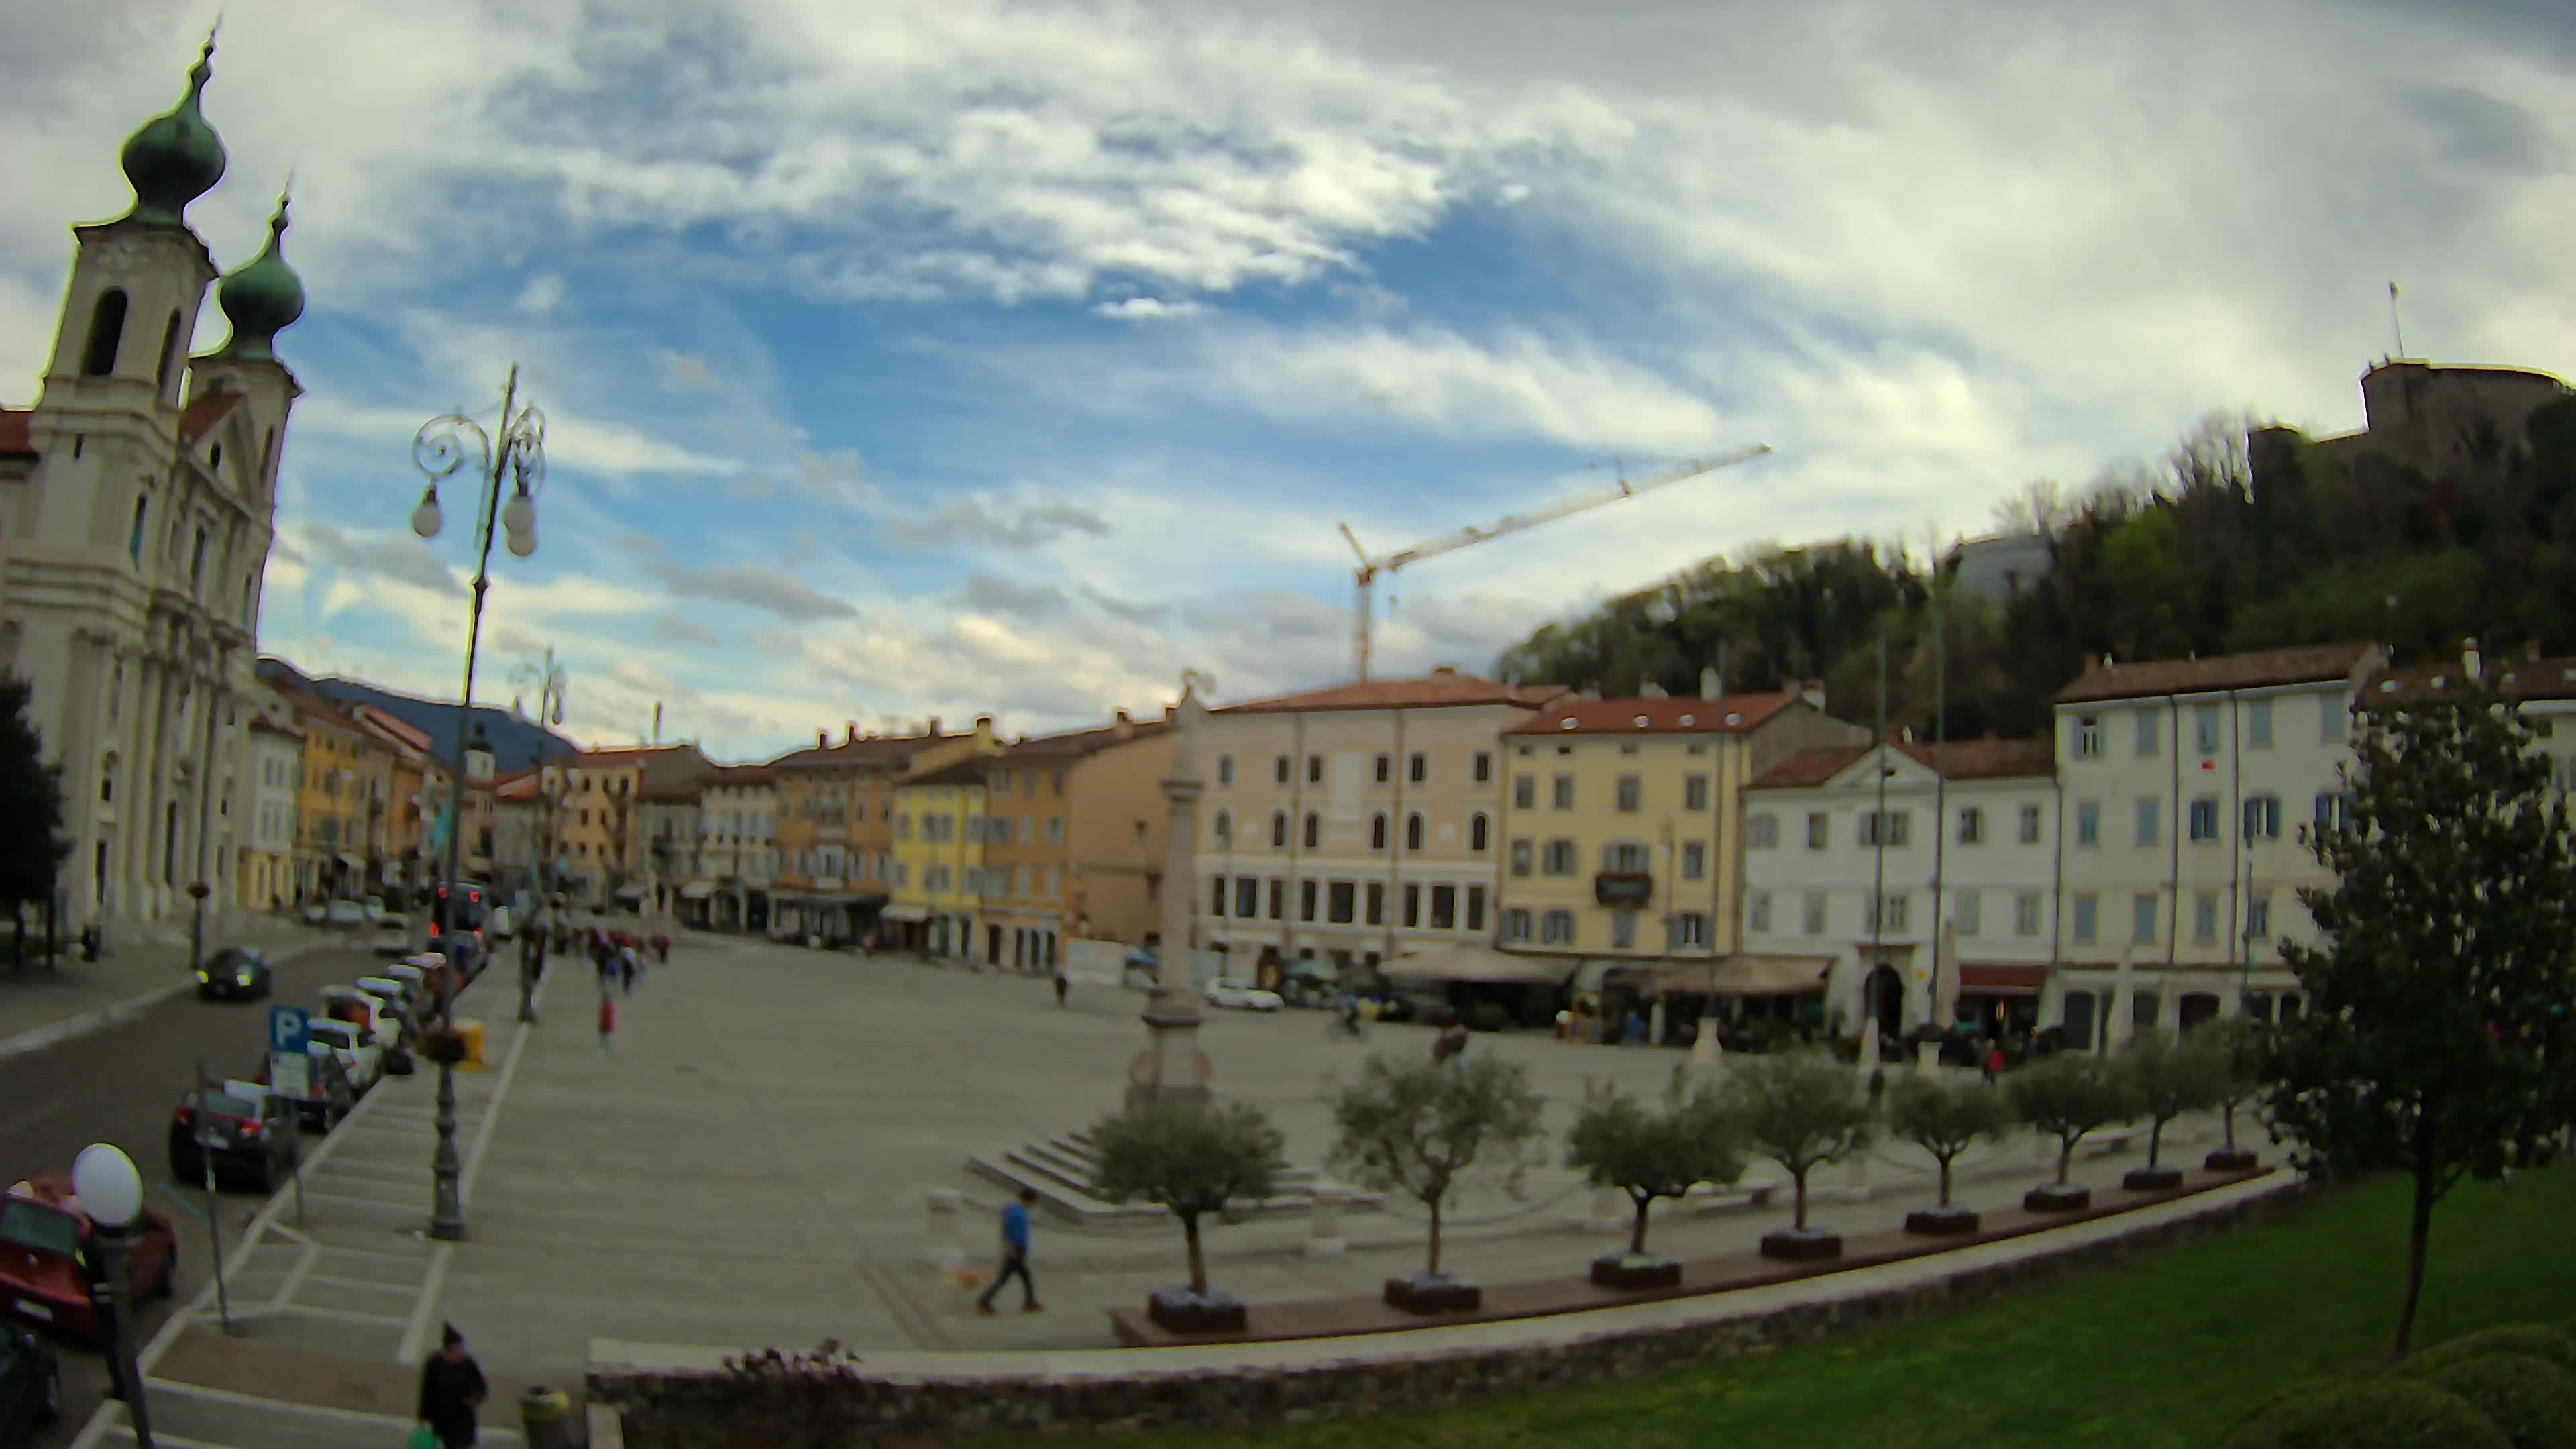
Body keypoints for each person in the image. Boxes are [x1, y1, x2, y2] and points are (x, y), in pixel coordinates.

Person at [415, 1322, 488, 1448]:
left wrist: (472, 1401)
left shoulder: (468, 1364)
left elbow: (482, 1389)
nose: (459, 1354)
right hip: (442, 1421)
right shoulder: (434, 1364)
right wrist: (422, 1418)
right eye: (455, 1351)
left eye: (460, 1349)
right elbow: (427, 1392)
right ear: (446, 1351)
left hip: (463, 1421)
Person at [976, 1187, 1042, 1316]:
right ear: (1029, 1201)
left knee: (1024, 1277)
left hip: (1013, 1249)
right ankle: (985, 1301)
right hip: (1016, 1250)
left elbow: (1006, 1232)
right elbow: (1013, 1234)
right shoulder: (1019, 1214)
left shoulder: (1014, 1211)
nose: (1034, 1205)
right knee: (1006, 1278)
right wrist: (1012, 1251)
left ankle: (1030, 1302)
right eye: (1033, 1202)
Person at [597, 989, 616, 1055]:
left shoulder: (608, 1007)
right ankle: (608, 1050)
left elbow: (609, 1018)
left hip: (607, 1025)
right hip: (605, 1025)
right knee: (605, 1039)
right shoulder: (606, 1007)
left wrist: (606, 1024)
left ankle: (606, 1050)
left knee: (606, 1039)